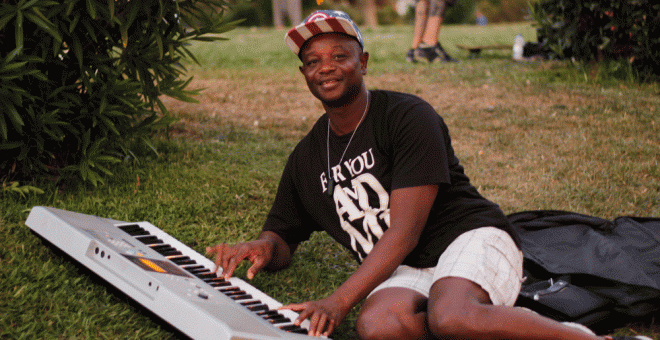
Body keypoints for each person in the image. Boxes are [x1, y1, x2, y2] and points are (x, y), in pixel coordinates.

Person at [206, 10, 651, 340]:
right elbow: (283, 237)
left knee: (452, 316)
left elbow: (403, 231)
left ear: (363, 62)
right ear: (303, 73)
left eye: (339, 55)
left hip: (466, 237)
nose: (325, 67)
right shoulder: (307, 157)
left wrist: (338, 300)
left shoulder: (405, 115)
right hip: (402, 268)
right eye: (312, 60)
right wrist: (261, 246)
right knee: (379, 326)